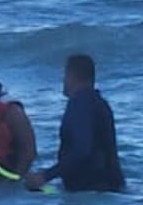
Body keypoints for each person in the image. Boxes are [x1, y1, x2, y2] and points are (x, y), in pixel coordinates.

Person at [25, 53, 125, 193]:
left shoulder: (80, 104)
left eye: (65, 76)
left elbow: (82, 150)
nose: (63, 81)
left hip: (90, 191)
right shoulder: (100, 103)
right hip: (109, 186)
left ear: (71, 76)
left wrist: (45, 176)